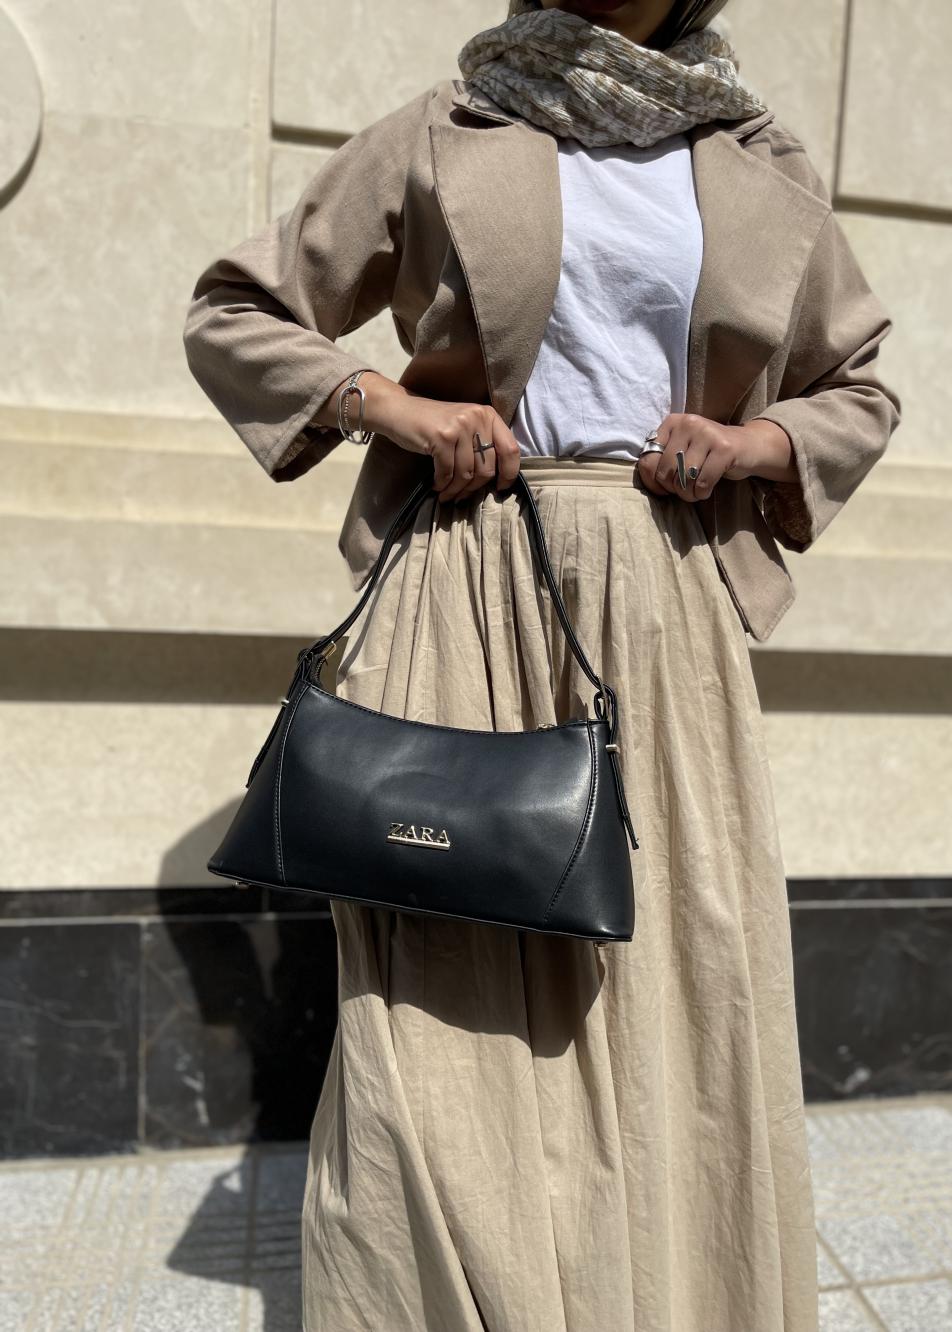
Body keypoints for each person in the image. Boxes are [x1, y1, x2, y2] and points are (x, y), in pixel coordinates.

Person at [183, 1, 901, 1327]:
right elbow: (237, 309)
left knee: (672, 989)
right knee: (434, 1017)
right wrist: (395, 408)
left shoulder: (754, 158)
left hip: (666, 601)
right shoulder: (445, 130)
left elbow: (856, 386)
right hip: (469, 581)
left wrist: (750, 447)